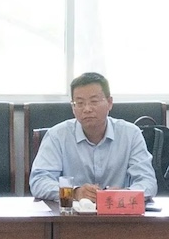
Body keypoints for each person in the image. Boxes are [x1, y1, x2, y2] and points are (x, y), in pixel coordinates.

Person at [29, 72, 157, 202]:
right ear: (73, 107)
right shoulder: (57, 136)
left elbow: (148, 181)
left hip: (118, 210)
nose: (87, 109)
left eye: (94, 101)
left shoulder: (131, 134)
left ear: (109, 103)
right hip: (72, 213)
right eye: (79, 103)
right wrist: (74, 192)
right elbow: (39, 181)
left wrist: (124, 194)